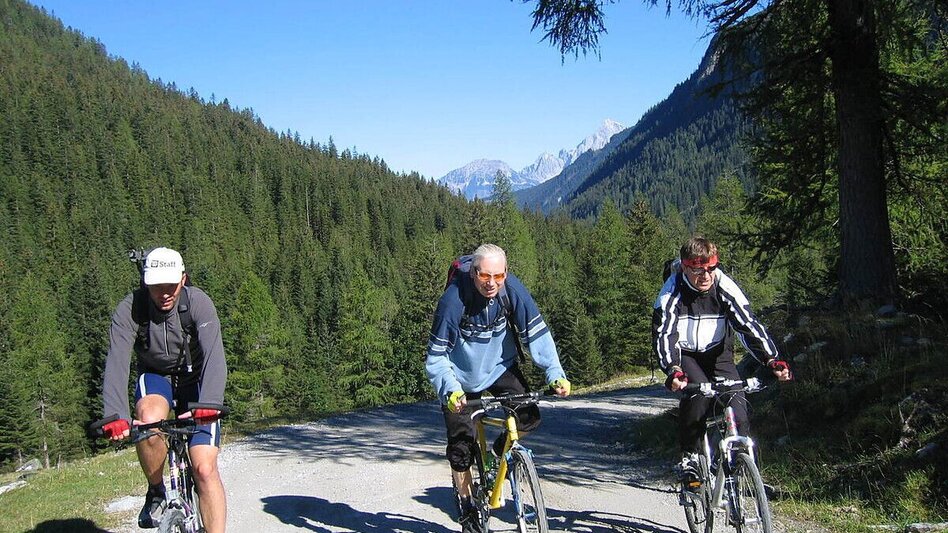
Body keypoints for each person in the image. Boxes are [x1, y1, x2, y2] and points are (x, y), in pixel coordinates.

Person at [426, 244, 570, 533]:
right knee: (461, 448)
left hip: (500, 368)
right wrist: (450, 390)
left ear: (505, 273)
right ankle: (468, 510)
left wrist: (555, 373)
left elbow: (537, 333)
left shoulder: (511, 290)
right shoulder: (454, 300)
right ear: (473, 272)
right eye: (485, 276)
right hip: (459, 379)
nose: (492, 283)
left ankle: (498, 454)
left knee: (529, 417)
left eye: (499, 276)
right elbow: (436, 357)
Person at [99, 247, 228, 532]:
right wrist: (116, 415)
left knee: (204, 469)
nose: (165, 293)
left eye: (171, 285)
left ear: (183, 279)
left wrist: (210, 402)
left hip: (196, 383)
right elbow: (117, 360)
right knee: (147, 419)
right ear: (146, 284)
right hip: (157, 377)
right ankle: (156, 491)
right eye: (157, 286)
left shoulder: (198, 303)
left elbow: (214, 357)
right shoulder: (131, 309)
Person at [652, 237, 791, 484]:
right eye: (697, 269)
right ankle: (691, 459)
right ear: (685, 267)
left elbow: (748, 325)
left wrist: (772, 360)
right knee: (698, 397)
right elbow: (665, 335)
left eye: (711, 268)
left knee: (738, 404)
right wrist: (673, 369)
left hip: (719, 353)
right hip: (687, 356)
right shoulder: (671, 294)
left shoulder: (724, 286)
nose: (705, 276)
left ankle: (738, 465)